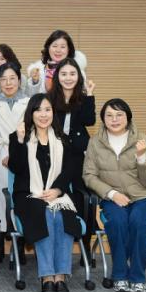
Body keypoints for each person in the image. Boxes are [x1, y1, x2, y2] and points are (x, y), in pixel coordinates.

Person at [83, 98, 146, 292]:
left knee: (139, 223)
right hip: (113, 197)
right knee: (117, 222)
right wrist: (112, 194)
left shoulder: (142, 139)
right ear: (103, 119)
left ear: (128, 117)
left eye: (119, 115)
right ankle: (119, 274)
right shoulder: (95, 142)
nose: (114, 119)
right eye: (109, 115)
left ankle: (138, 277)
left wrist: (142, 158)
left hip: (143, 196)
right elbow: (89, 175)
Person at [8, 93, 80, 292]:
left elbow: (70, 170)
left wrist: (57, 190)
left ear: (53, 113)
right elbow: (16, 168)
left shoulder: (63, 139)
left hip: (58, 194)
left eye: (47, 109)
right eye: (38, 110)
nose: (43, 114)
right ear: (31, 113)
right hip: (28, 195)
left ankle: (61, 276)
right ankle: (47, 276)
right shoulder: (18, 136)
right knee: (45, 214)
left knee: (63, 215)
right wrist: (20, 141)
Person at [47, 58, 96, 253]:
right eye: (64, 74)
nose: (68, 78)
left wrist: (90, 94)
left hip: (77, 153)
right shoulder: (49, 98)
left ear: (79, 76)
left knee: (83, 196)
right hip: (54, 152)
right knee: (57, 191)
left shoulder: (83, 98)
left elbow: (89, 120)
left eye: (72, 74)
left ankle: (85, 241)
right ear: (57, 76)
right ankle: (59, 232)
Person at [0, 62, 30, 255]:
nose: (8, 83)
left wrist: (17, 152)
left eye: (12, 78)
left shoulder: (28, 101)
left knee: (21, 195)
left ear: (19, 80)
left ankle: (20, 244)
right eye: (3, 79)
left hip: (23, 153)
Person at [26, 29, 87, 95]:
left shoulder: (77, 70)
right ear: (48, 47)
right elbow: (31, 96)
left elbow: (80, 95)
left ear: (68, 49)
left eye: (62, 47)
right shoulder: (38, 69)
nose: (58, 50)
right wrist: (35, 82)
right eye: (54, 46)